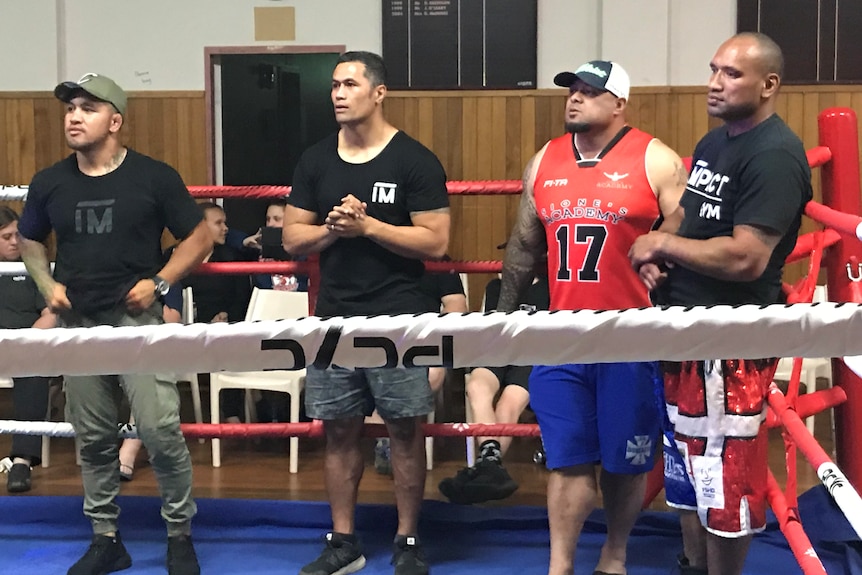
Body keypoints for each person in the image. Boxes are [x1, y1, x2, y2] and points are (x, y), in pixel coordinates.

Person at [628, 33, 812, 575]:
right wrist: (659, 253)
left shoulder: (775, 154)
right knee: (687, 471)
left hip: (728, 344)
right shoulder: (715, 143)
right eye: (714, 70)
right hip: (683, 331)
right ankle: (693, 564)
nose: (714, 82)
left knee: (724, 476)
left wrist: (661, 243)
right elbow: (687, 216)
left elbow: (746, 258)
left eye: (731, 74)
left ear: (768, 84)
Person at [495, 60, 687, 575]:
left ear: (619, 103)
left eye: (589, 92)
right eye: (571, 91)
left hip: (630, 334)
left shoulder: (656, 159)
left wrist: (664, 261)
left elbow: (687, 230)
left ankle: (615, 555)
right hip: (561, 334)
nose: (574, 100)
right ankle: (560, 565)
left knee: (626, 460)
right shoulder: (545, 161)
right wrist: (499, 323)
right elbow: (523, 244)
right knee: (566, 455)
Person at [16, 72, 212, 575]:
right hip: (79, 321)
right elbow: (31, 239)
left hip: (136, 317)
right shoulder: (50, 181)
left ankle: (179, 535)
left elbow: (199, 238)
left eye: (87, 107)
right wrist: (45, 285)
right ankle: (105, 536)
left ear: (115, 120)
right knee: (94, 435)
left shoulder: (152, 176)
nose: (74, 117)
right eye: (69, 109)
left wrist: (161, 283)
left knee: (159, 426)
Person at [282, 51, 450, 575]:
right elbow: (291, 237)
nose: (337, 93)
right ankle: (344, 541)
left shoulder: (414, 160)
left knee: (404, 430)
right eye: (334, 84)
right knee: (338, 431)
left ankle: (407, 539)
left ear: (378, 93)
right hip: (335, 317)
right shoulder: (315, 160)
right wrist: (334, 228)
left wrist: (369, 226)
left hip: (401, 317)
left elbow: (437, 241)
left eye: (349, 84)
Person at [438, 264, 549, 504]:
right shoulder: (495, 286)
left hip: (532, 355)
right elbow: (486, 327)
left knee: (510, 403)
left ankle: (486, 468)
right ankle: (491, 469)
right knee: (477, 386)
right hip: (496, 351)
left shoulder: (549, 287)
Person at [373, 259, 467, 476]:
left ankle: (395, 439)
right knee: (365, 372)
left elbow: (456, 305)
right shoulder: (377, 254)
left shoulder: (439, 261)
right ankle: (386, 439)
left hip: (425, 338)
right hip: (379, 335)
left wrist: (434, 335)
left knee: (433, 372)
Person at [0, 206, 57, 493]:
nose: (14, 242)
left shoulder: (34, 269)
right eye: (6, 236)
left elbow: (52, 313)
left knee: (33, 371)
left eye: (17, 235)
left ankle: (21, 460)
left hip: (25, 345)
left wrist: (26, 340)